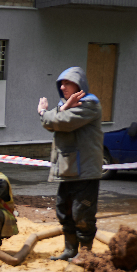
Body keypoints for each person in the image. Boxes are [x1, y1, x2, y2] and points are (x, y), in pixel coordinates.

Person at [37, 67, 103, 260]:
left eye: (67, 83)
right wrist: (58, 111)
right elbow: (52, 122)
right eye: (61, 84)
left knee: (82, 212)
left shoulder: (89, 104)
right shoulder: (64, 105)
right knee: (63, 210)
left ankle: (85, 253)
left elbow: (58, 122)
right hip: (68, 169)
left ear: (79, 85)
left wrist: (43, 111)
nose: (63, 87)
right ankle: (70, 250)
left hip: (85, 170)